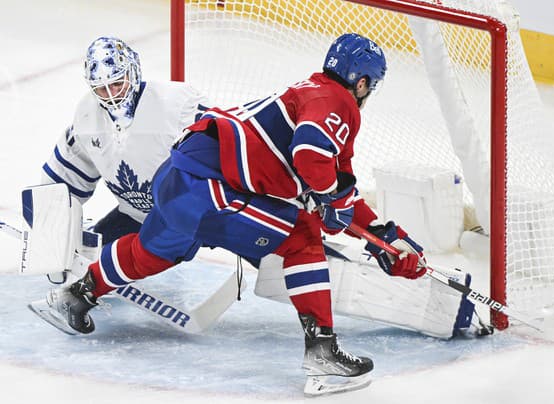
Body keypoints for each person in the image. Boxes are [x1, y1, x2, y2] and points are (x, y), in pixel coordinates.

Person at [34, 33, 427, 395]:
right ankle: (323, 355)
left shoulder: (308, 92)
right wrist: (330, 201)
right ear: (361, 83)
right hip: (213, 188)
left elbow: (338, 185)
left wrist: (382, 234)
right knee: (303, 238)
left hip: (177, 178)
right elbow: (312, 157)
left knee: (150, 251)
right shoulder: (337, 101)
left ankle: (76, 295)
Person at [40, 36, 209, 257]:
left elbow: (226, 148)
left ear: (134, 72)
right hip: (138, 217)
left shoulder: (178, 105)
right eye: (102, 88)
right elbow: (63, 181)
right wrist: (48, 220)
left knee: (262, 243)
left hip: (200, 218)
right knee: (86, 259)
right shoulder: (87, 116)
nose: (112, 96)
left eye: (118, 83)